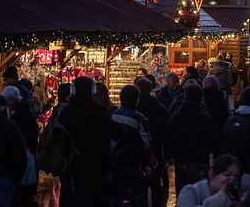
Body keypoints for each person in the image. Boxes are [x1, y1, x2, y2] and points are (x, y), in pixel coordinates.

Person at [58, 76, 121, 206]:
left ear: (73, 91)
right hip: (96, 170)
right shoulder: (98, 113)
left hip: (71, 170)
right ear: (92, 91)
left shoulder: (65, 113)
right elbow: (115, 132)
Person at [166, 84, 219, 195]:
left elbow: (169, 138)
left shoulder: (176, 117)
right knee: (199, 196)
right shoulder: (204, 117)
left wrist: (170, 155)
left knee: (183, 195)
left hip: (181, 162)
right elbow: (214, 139)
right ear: (200, 98)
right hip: (199, 162)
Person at [111, 84, 152, 206]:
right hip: (132, 163)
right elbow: (146, 142)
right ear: (136, 99)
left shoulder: (115, 114)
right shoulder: (138, 118)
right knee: (139, 195)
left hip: (116, 161)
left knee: (117, 195)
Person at [134, 77, 170, 207]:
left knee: (137, 186)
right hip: (156, 152)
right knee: (156, 185)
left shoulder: (133, 109)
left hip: (135, 154)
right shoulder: (160, 109)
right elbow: (167, 133)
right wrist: (168, 153)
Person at [177, 154, 245, 206]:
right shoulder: (191, 191)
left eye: (236, 179)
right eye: (227, 175)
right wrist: (220, 199)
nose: (231, 181)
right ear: (211, 174)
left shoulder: (237, 196)